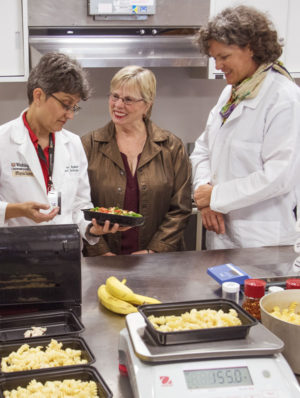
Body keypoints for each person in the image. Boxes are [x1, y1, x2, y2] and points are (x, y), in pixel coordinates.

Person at [190, 6, 300, 250]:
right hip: (221, 237)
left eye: (224, 56)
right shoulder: (231, 93)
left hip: (264, 241)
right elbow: (202, 149)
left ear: (250, 47)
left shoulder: (285, 98)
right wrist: (204, 194)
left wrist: (216, 197)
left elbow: (279, 177)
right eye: (214, 57)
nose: (218, 65)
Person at [0, 52, 123, 241]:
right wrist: (16, 210)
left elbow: (80, 206)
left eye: (74, 107)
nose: (70, 115)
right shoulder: (3, 141)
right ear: (39, 95)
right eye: (66, 105)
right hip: (15, 258)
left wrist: (92, 228)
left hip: (65, 256)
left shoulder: (73, 144)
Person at [81, 65, 192, 256]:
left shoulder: (171, 147)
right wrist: (100, 252)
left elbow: (180, 210)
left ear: (147, 104)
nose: (118, 105)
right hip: (103, 260)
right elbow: (78, 205)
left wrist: (154, 251)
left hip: (158, 263)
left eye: (128, 100)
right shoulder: (88, 145)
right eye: (114, 96)